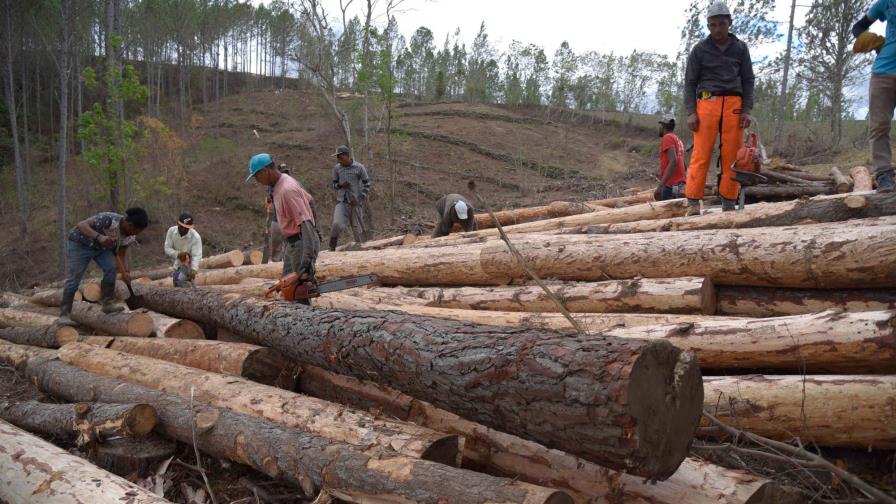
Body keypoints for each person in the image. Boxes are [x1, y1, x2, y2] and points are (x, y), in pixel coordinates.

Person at [683, 0, 755, 215]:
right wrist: (691, 112)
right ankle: (693, 202)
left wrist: (747, 110)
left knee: (732, 155)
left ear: (729, 23)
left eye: (721, 24)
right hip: (707, 103)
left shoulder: (740, 49)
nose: (717, 29)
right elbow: (690, 83)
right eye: (713, 25)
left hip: (734, 104)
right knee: (701, 153)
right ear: (708, 26)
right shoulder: (699, 50)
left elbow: (748, 80)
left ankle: (729, 202)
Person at [247, 153, 321, 305]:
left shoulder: (287, 189)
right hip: (291, 244)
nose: (257, 181)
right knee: (288, 288)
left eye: (257, 176)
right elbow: (310, 200)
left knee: (298, 292)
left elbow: (305, 223)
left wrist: (307, 258)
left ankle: (306, 321)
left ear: (265, 171)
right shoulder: (279, 185)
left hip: (300, 243)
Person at [58, 208, 149, 325]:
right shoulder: (109, 219)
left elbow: (121, 253)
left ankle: (108, 303)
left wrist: (125, 271)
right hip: (80, 244)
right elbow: (82, 224)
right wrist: (99, 237)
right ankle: (64, 314)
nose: (135, 234)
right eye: (136, 230)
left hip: (101, 249)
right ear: (129, 224)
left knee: (111, 269)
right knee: (74, 278)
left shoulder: (130, 236)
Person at [853, 2, 896, 192]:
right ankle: (884, 175)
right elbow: (858, 27)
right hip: (883, 72)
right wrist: (876, 43)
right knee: (879, 126)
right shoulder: (886, 3)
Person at [329, 145, 371, 251]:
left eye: (341, 158)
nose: (339, 160)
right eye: (338, 158)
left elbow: (367, 184)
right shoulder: (337, 168)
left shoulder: (359, 167)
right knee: (337, 224)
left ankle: (361, 248)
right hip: (342, 201)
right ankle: (332, 245)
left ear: (348, 156)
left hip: (355, 201)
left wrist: (360, 197)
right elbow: (333, 184)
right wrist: (340, 185)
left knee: (357, 227)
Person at [655, 114, 687, 201]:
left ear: (664, 126)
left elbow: (674, 161)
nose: (660, 128)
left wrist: (660, 186)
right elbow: (684, 165)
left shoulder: (667, 137)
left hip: (670, 186)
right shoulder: (677, 139)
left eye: (660, 125)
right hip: (678, 185)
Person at [163, 213, 202, 280]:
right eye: (181, 227)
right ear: (177, 224)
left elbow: (196, 256)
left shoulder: (195, 237)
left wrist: (193, 270)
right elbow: (167, 248)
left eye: (186, 228)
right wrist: (178, 254)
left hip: (190, 266)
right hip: (177, 265)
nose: (183, 230)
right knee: (177, 282)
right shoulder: (171, 231)